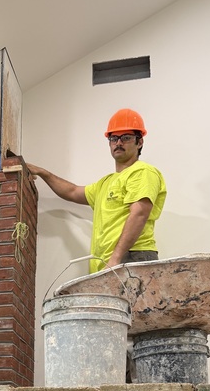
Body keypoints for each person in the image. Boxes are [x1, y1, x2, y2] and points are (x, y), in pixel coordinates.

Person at [28, 109, 166, 273]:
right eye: (114, 138)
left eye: (126, 137)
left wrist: (115, 259)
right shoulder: (105, 183)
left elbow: (139, 214)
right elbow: (72, 191)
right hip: (109, 263)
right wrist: (44, 173)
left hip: (132, 258)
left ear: (140, 142)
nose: (119, 143)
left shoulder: (142, 172)